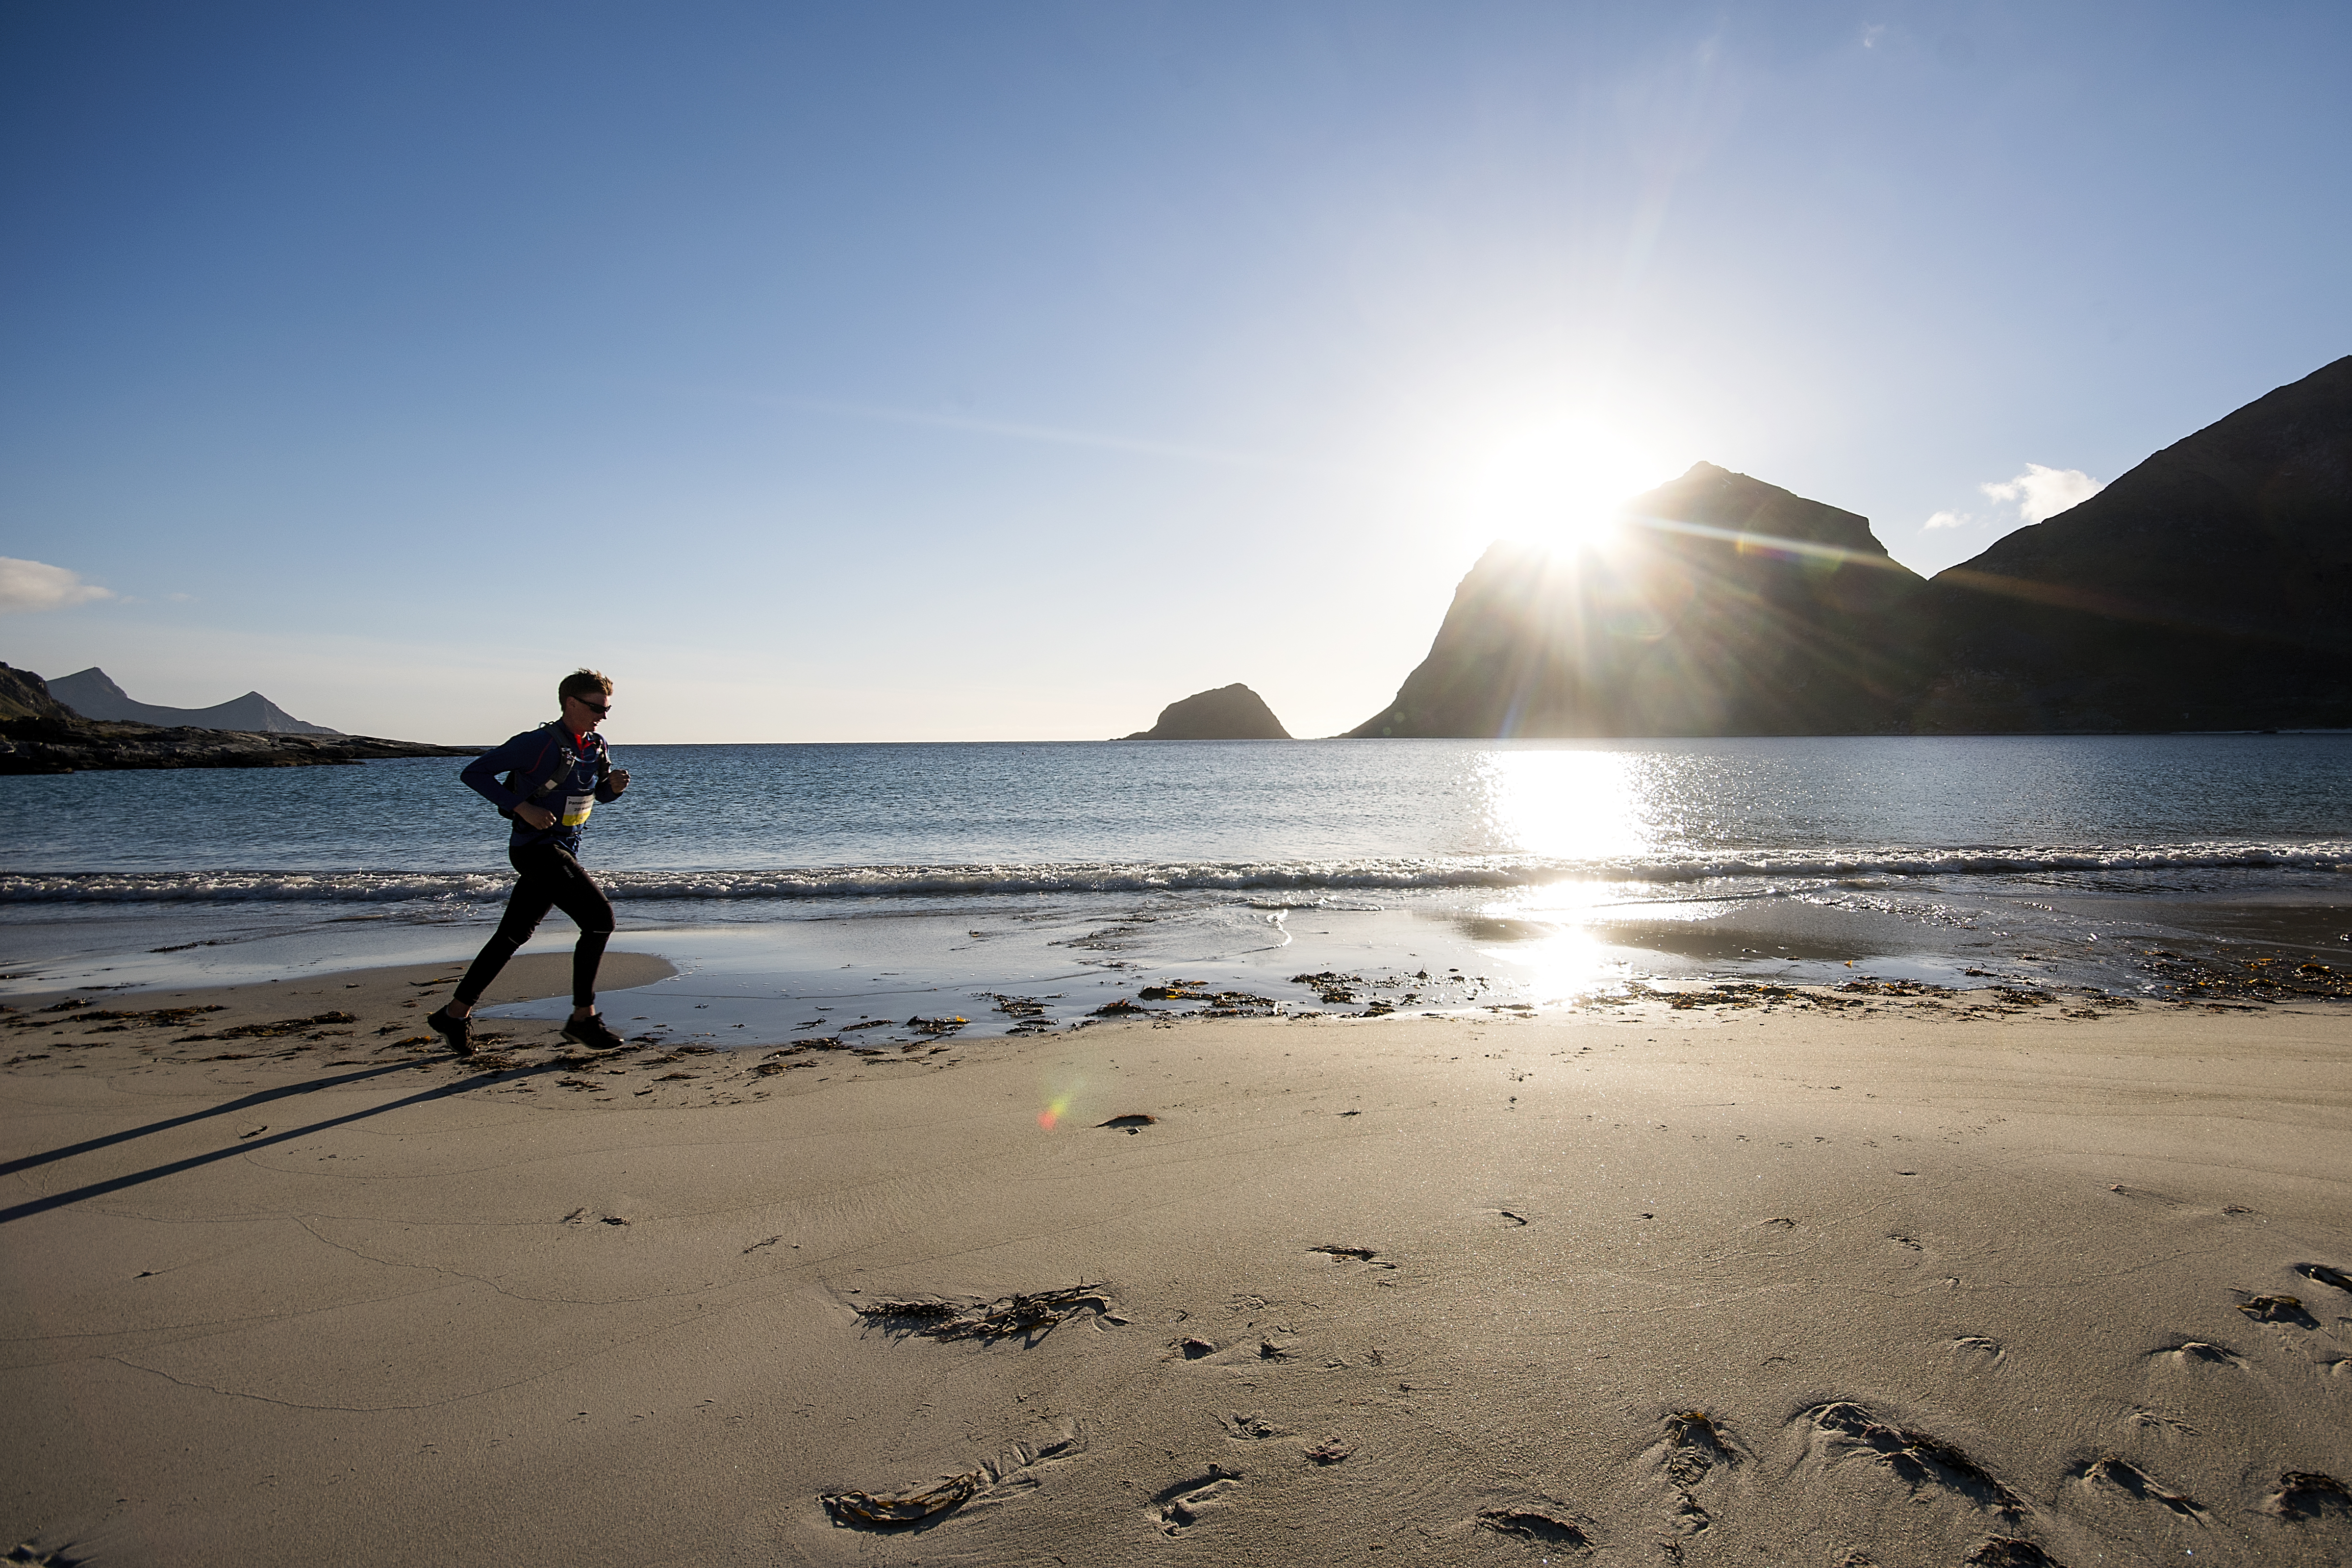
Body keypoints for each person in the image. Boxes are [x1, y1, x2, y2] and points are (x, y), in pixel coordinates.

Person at [428, 669, 633, 1055]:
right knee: (599, 920)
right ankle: (582, 1019)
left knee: (513, 935)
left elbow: (598, 796)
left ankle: (453, 1015)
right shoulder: (536, 743)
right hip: (536, 849)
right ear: (570, 703)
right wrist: (521, 806)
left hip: (563, 851)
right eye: (596, 708)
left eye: (606, 709)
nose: (603, 716)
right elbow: (474, 773)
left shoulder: (596, 745)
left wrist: (614, 789)